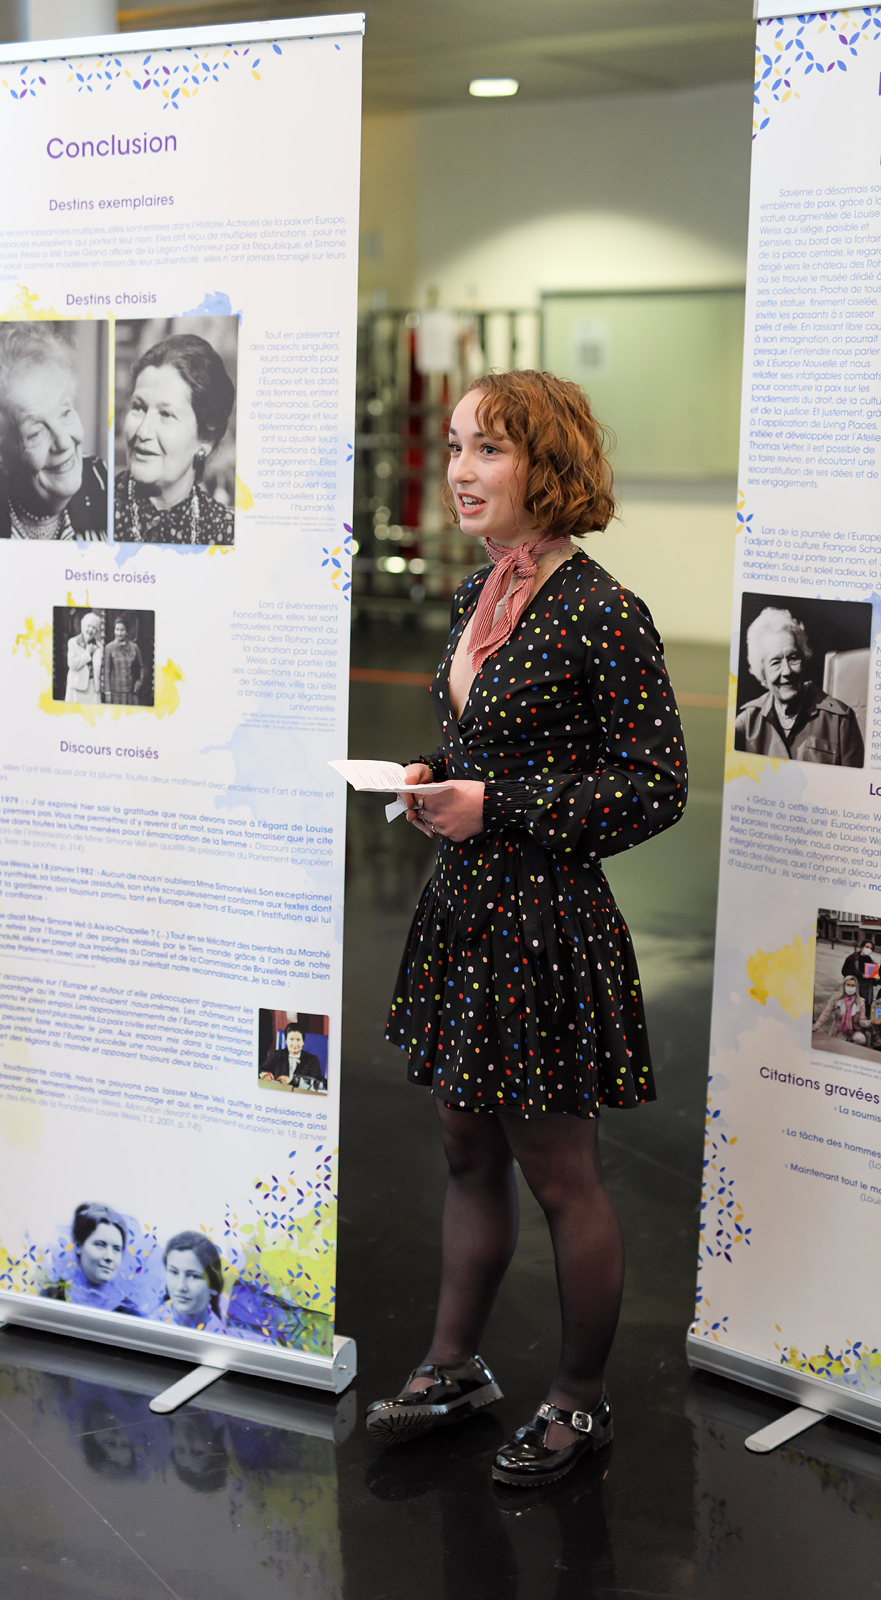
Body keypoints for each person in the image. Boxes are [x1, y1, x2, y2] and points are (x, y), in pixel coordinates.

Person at [364, 370, 687, 1489]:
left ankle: (579, 1402)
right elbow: (485, 743)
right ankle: (453, 1366)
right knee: (465, 1148)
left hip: (544, 926)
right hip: (465, 911)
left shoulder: (602, 611)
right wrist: (433, 775)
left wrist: (495, 806)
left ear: (546, 466)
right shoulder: (481, 590)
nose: (458, 470)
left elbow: (654, 786)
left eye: (487, 449)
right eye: (455, 445)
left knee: (559, 1172)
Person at [0, 323, 108, 541]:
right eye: (36, 433)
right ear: (0, 457)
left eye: (65, 412)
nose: (64, 442)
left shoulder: (104, 484)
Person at [115, 333, 235, 545]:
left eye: (166, 414)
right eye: (138, 408)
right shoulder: (96, 508)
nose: (143, 431)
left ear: (205, 438)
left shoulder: (227, 532)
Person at [734, 607, 863, 766]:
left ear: (804, 657)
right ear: (762, 671)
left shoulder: (840, 721)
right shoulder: (746, 723)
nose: (787, 671)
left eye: (793, 658)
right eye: (775, 662)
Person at [41, 1202, 140, 1314]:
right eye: (100, 1245)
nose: (109, 1257)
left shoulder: (130, 1313)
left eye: (116, 1249)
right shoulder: (50, 1298)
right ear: (79, 1245)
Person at [160, 1230, 230, 1334]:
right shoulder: (149, 1321)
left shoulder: (222, 1335)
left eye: (193, 1276)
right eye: (174, 1272)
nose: (181, 1287)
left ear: (213, 1285)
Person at [259, 1025, 326, 1090]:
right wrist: (264, 1074)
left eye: (298, 1040)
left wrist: (291, 1081)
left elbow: (318, 1083)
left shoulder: (312, 1059)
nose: (295, 1043)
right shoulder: (277, 1055)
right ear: (286, 1041)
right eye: (291, 1039)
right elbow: (260, 1069)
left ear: (303, 1042)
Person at [813, 977, 869, 1046]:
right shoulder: (836, 998)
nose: (850, 987)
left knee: (861, 1039)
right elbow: (826, 1013)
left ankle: (852, 1048)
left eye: (853, 985)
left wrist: (872, 1022)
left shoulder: (860, 1001)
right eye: (848, 985)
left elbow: (862, 1021)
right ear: (844, 986)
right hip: (839, 1030)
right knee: (838, 1046)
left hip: (854, 1031)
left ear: (856, 987)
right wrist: (816, 1027)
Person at [102, 616, 145, 704]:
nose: (119, 633)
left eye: (122, 630)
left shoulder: (134, 647)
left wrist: (138, 683)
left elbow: (141, 667)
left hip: (131, 692)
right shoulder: (109, 648)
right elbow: (106, 672)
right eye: (117, 630)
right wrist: (107, 693)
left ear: (127, 632)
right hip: (114, 693)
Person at [65, 612, 103, 704]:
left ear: (96, 631)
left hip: (93, 688)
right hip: (76, 688)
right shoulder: (73, 642)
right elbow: (72, 665)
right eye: (88, 626)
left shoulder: (99, 646)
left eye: (94, 628)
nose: (90, 630)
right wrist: (87, 653)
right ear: (83, 626)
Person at [841, 938, 878, 1010]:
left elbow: (873, 982)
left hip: (866, 989)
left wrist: (876, 979)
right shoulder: (852, 958)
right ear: (862, 947)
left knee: (864, 1008)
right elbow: (844, 971)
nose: (869, 949)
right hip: (854, 986)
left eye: (871, 948)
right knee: (852, 1007)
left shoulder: (872, 962)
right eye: (867, 947)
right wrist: (861, 975)